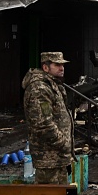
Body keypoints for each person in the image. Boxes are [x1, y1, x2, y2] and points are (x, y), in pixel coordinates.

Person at [22, 52, 75, 184]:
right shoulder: (40, 88)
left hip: (57, 158)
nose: (62, 68)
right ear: (45, 67)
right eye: (57, 65)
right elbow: (43, 124)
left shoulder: (52, 85)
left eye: (62, 65)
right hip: (48, 158)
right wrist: (64, 143)